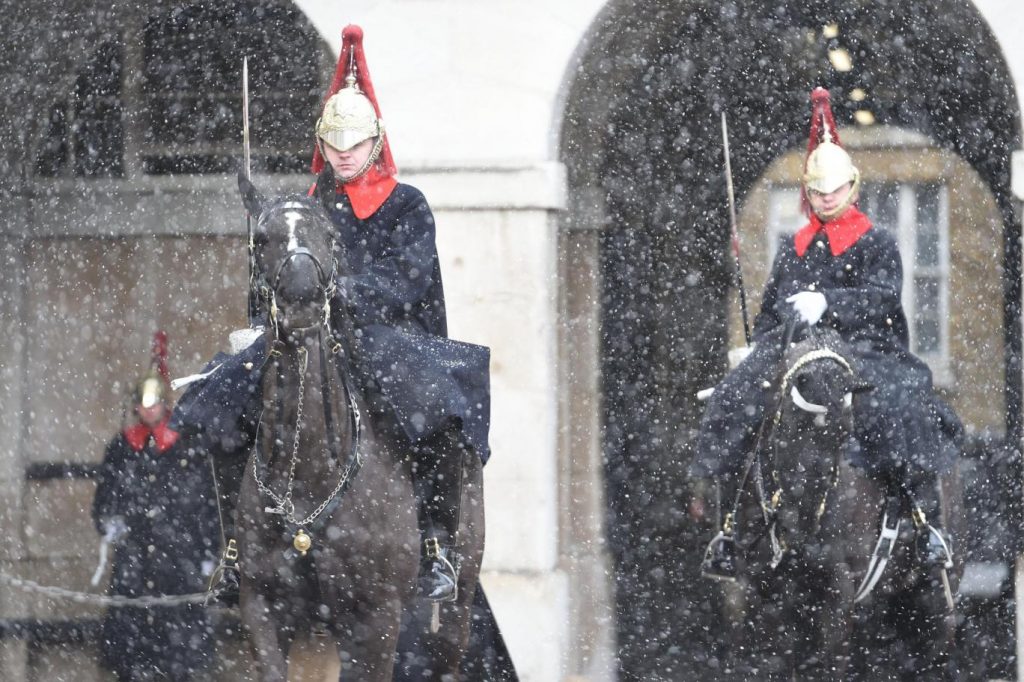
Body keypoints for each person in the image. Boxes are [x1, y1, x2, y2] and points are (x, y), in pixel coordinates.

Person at [173, 24, 491, 605]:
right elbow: (281, 266)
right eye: (336, 147)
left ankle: (436, 544)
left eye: (355, 146)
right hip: (311, 332)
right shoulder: (311, 205)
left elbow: (410, 278)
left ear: (375, 142)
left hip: (388, 335)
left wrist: (345, 289)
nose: (345, 157)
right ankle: (237, 551)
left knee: (440, 416)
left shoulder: (406, 204)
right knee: (219, 403)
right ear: (324, 143)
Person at [692, 88, 962, 581]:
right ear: (809, 192)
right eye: (817, 191)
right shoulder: (794, 246)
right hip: (796, 349)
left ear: (853, 188)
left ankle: (927, 525)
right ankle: (729, 528)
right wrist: (759, 344)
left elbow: (883, 297)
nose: (826, 198)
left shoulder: (877, 241)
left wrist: (830, 303)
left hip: (864, 348)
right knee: (735, 399)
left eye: (835, 190)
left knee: (903, 404)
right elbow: (775, 305)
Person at [92, 332, 219, 681]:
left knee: (180, 653)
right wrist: (109, 522)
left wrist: (209, 550)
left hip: (180, 556)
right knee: (130, 653)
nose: (149, 410)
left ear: (164, 403)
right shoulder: (121, 447)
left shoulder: (186, 446)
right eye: (143, 404)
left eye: (154, 403)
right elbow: (105, 496)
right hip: (135, 556)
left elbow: (207, 504)